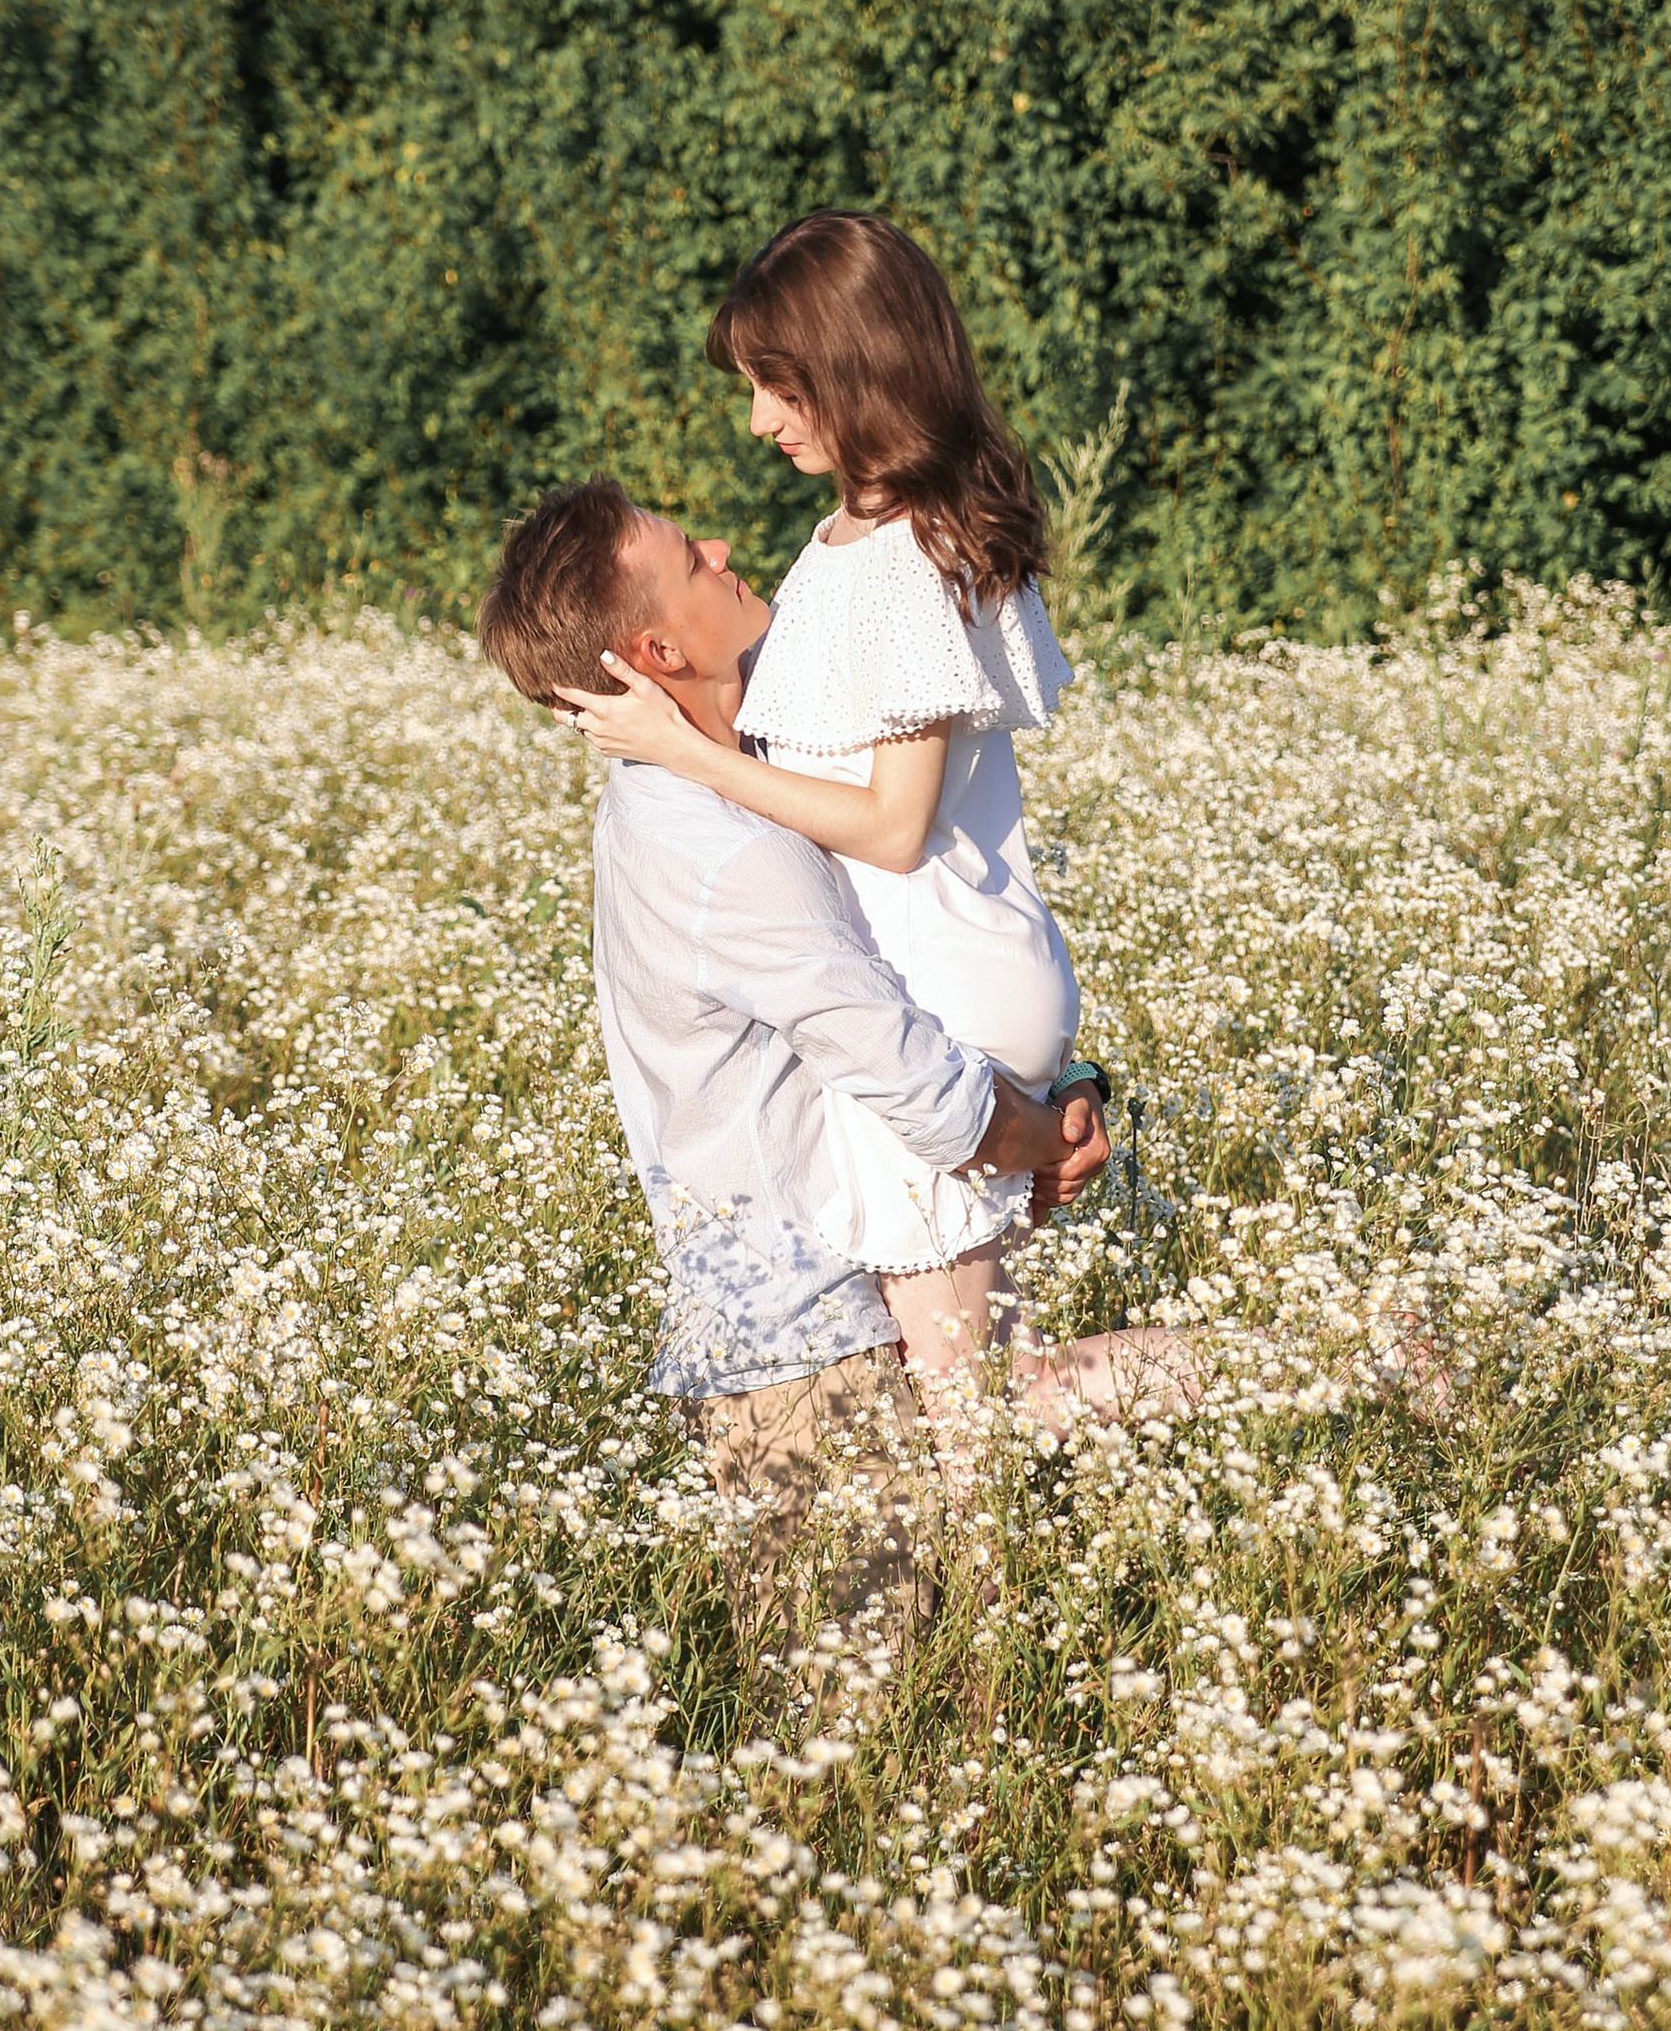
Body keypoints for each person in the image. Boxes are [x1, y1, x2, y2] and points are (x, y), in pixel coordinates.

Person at [477, 475, 1161, 1640]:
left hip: (857, 1304)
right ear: (652, 648)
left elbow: (925, 962)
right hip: (806, 1366)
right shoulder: (713, 842)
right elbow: (910, 1075)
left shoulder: (754, 772)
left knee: (954, 1705)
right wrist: (1044, 1132)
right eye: (689, 557)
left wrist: (1071, 1086)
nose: (724, 543)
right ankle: (1327, 1359)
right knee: (858, 1746)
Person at [558, 211, 1192, 1426]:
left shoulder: (894, 558)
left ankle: (1340, 1351)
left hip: (938, 989)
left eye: (773, 384)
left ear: (850, 371)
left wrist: (684, 750)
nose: (756, 419)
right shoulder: (884, 535)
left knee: (986, 1404)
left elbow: (892, 826)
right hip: (962, 967)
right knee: (973, 1405)